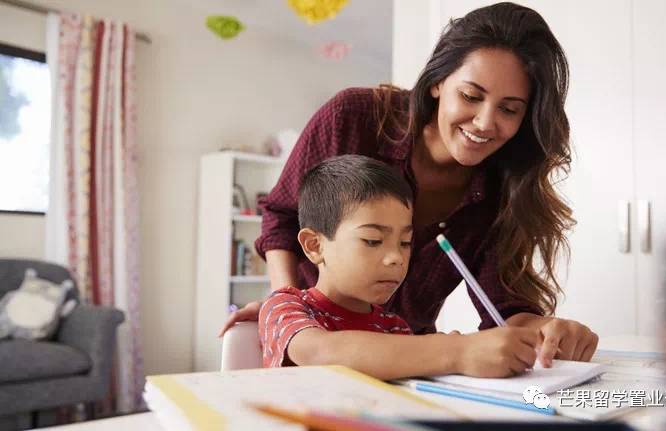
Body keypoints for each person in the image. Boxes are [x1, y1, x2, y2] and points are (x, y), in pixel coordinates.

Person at [221, 2, 598, 368]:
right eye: (470, 96)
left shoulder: (504, 188)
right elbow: (283, 216)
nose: (485, 122)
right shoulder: (353, 117)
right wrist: (285, 300)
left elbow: (504, 312)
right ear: (437, 82)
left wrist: (545, 330)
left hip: (407, 365)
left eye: (509, 109)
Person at [259, 154, 539, 379]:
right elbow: (321, 353)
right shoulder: (286, 306)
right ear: (314, 245)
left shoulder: (393, 327)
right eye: (372, 240)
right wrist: (457, 351)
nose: (396, 257)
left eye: (405, 242)